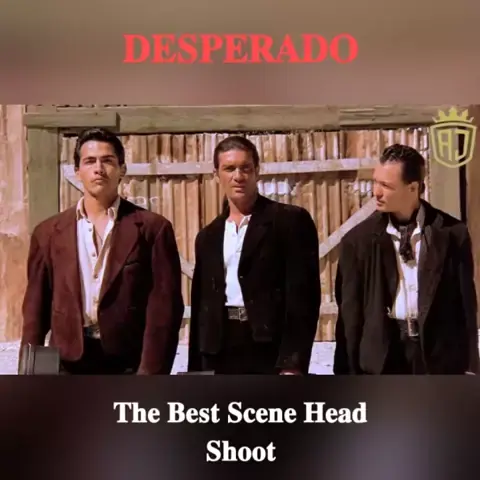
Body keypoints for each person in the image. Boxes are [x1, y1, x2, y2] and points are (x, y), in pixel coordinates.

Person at [20, 127, 184, 374]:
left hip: (127, 364)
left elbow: (165, 309)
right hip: (67, 364)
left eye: (107, 160)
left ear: (122, 169)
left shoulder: (152, 229)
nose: (98, 168)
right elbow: (35, 311)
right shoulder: (48, 233)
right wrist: (27, 376)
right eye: (90, 161)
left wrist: (151, 376)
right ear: (77, 171)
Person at [333, 144, 478, 375]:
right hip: (384, 357)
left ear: (413, 187)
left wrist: (470, 367)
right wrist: (345, 375)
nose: (376, 192)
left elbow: (466, 306)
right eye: (375, 182)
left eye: (386, 185)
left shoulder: (452, 234)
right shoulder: (357, 241)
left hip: (438, 359)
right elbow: (349, 314)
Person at [187, 135, 321, 375]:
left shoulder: (289, 221)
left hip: (269, 348)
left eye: (245, 168)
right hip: (219, 350)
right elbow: (201, 307)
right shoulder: (208, 236)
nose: (238, 176)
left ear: (257, 171)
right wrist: (197, 369)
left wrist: (292, 363)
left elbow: (303, 299)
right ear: (216, 175)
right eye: (229, 169)